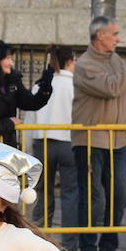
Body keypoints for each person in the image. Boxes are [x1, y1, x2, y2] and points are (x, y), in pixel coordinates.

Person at [71, 17, 126, 251]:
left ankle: (109, 250)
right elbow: (112, 87)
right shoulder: (85, 64)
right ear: (99, 36)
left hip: (116, 140)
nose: (119, 38)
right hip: (90, 140)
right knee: (93, 197)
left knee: (118, 197)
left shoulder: (117, 61)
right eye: (115, 34)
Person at [23, 46, 77, 238]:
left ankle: (41, 237)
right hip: (69, 143)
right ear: (70, 61)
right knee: (71, 193)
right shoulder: (75, 85)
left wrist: (27, 148)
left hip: (42, 142)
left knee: (42, 192)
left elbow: (30, 118)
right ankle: (70, 242)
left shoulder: (41, 85)